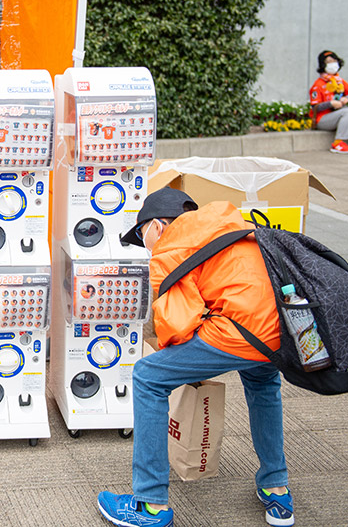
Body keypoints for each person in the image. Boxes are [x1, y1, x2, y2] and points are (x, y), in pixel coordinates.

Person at [96, 188, 294, 527]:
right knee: (262, 384)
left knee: (148, 376)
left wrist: (172, 353)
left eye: (142, 235)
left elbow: (176, 326)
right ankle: (276, 487)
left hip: (238, 333)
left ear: (157, 226)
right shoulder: (230, 223)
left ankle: (150, 506)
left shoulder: (173, 244)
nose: (145, 245)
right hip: (278, 332)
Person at [309, 50, 348, 154]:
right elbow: (315, 107)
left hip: (337, 114)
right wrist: (331, 103)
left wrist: (347, 98)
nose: (333, 64)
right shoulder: (318, 85)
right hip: (322, 119)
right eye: (329, 62)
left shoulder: (339, 81)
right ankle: (338, 143)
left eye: (334, 61)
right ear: (323, 65)